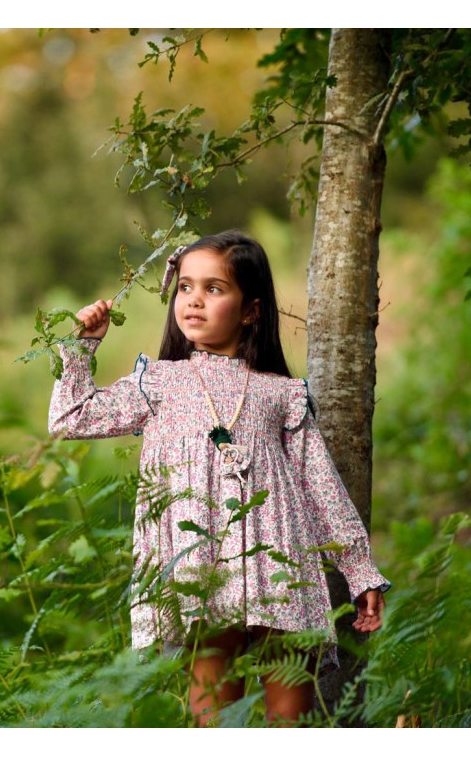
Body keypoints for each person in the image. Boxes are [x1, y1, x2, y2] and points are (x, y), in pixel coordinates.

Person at [48, 230, 389, 726]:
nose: (193, 301)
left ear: (249, 309)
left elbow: (321, 488)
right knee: (213, 721)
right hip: (201, 573)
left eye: (213, 289)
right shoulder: (159, 382)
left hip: (280, 571)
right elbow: (71, 417)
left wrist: (359, 570)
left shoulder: (281, 394)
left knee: (288, 723)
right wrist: (80, 349)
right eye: (185, 287)